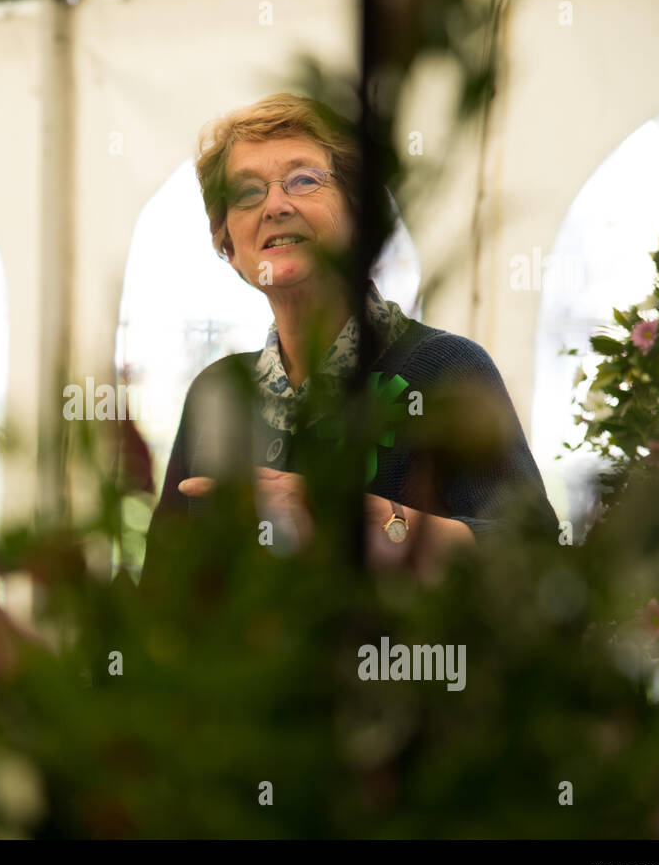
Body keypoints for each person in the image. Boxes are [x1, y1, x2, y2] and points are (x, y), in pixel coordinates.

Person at [145, 93, 556, 579]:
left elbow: (536, 551)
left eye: (303, 180)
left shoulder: (446, 366)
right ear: (229, 246)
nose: (275, 205)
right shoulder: (216, 392)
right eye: (247, 191)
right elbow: (160, 589)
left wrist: (379, 522)